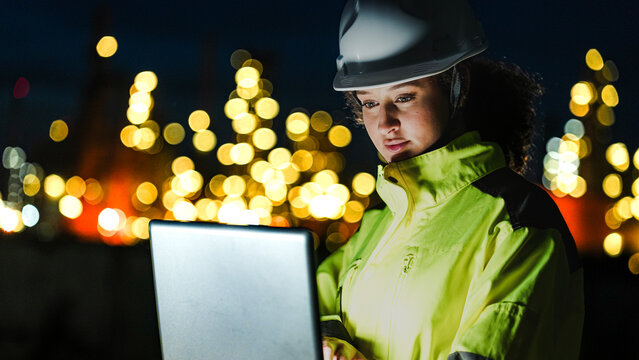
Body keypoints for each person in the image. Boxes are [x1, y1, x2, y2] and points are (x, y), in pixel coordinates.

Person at [316, 1, 584, 359]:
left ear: (457, 86)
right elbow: (310, 308)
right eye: (369, 103)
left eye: (404, 97)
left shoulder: (519, 223)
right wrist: (333, 346)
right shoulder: (379, 221)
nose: (384, 124)